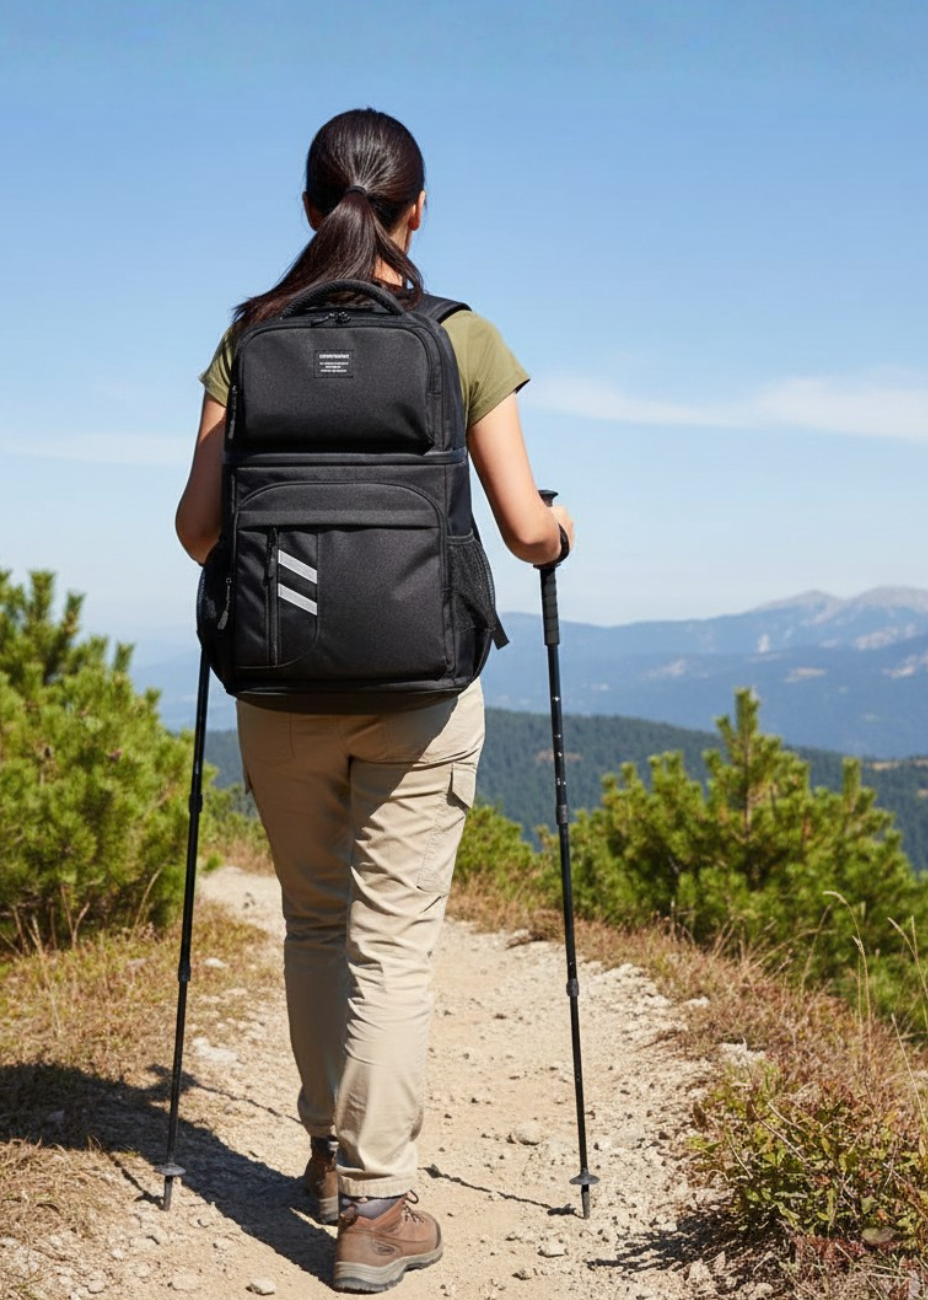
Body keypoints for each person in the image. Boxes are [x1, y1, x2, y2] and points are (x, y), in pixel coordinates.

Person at [175, 107, 575, 1294]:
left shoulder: (250, 342)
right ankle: (379, 1199)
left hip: (279, 678)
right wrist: (559, 530)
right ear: (417, 212)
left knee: (312, 920)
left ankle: (320, 1152)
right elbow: (520, 527)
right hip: (420, 685)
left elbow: (199, 529)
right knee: (393, 941)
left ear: (309, 211)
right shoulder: (460, 337)